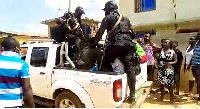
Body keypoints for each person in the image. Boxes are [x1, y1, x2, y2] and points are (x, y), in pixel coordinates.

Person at [91, 0, 139, 103]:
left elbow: (100, 33)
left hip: (116, 45)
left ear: (108, 9)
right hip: (129, 45)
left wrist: (93, 44)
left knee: (104, 60)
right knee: (130, 68)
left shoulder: (107, 18)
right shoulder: (126, 19)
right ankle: (132, 95)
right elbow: (133, 33)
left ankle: (105, 91)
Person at [0, 37, 35, 108]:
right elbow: (26, 88)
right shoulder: (22, 65)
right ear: (15, 49)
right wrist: (32, 106)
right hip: (14, 104)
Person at [156, 39, 177, 104]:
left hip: (169, 70)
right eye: (163, 42)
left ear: (169, 44)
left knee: (169, 85)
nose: (164, 43)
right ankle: (162, 97)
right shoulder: (160, 51)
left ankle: (171, 98)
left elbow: (176, 60)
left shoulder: (172, 52)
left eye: (166, 42)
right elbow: (156, 58)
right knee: (161, 84)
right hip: (161, 69)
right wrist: (156, 63)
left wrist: (170, 63)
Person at [191, 33, 200, 104]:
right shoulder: (196, 44)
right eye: (198, 35)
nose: (198, 37)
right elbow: (193, 54)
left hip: (199, 65)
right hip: (193, 65)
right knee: (197, 80)